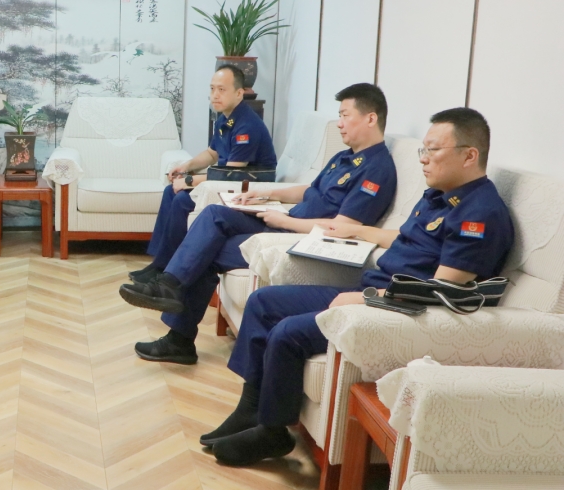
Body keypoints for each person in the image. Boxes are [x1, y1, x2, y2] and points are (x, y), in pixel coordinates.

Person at [204, 107, 514, 467]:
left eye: (433, 150)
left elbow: (442, 289)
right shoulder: (439, 195)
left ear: (469, 155)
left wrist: (369, 299)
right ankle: (250, 408)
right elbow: (409, 240)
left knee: (288, 332)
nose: (423, 159)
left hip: (392, 308)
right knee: (263, 302)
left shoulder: (479, 214)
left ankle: (272, 431)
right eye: (423, 150)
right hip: (375, 286)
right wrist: (358, 231)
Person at [122, 83, 396, 364]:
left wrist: (284, 221)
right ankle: (169, 285)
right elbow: (309, 191)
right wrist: (267, 194)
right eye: (339, 116)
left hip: (301, 237)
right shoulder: (344, 157)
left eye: (345, 115)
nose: (339, 124)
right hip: (286, 221)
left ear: (370, 118)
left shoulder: (377, 169)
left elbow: (342, 227)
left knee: (207, 250)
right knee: (215, 214)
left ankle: (177, 332)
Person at [136, 65, 278, 286]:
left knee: (182, 200)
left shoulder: (247, 126)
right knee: (170, 191)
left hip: (245, 191)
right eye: (212, 89)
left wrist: (190, 181)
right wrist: (186, 166)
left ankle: (168, 268)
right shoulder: (225, 118)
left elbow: (231, 174)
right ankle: (160, 263)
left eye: (222, 89)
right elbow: (213, 153)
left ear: (239, 93)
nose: (215, 95)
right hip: (227, 183)